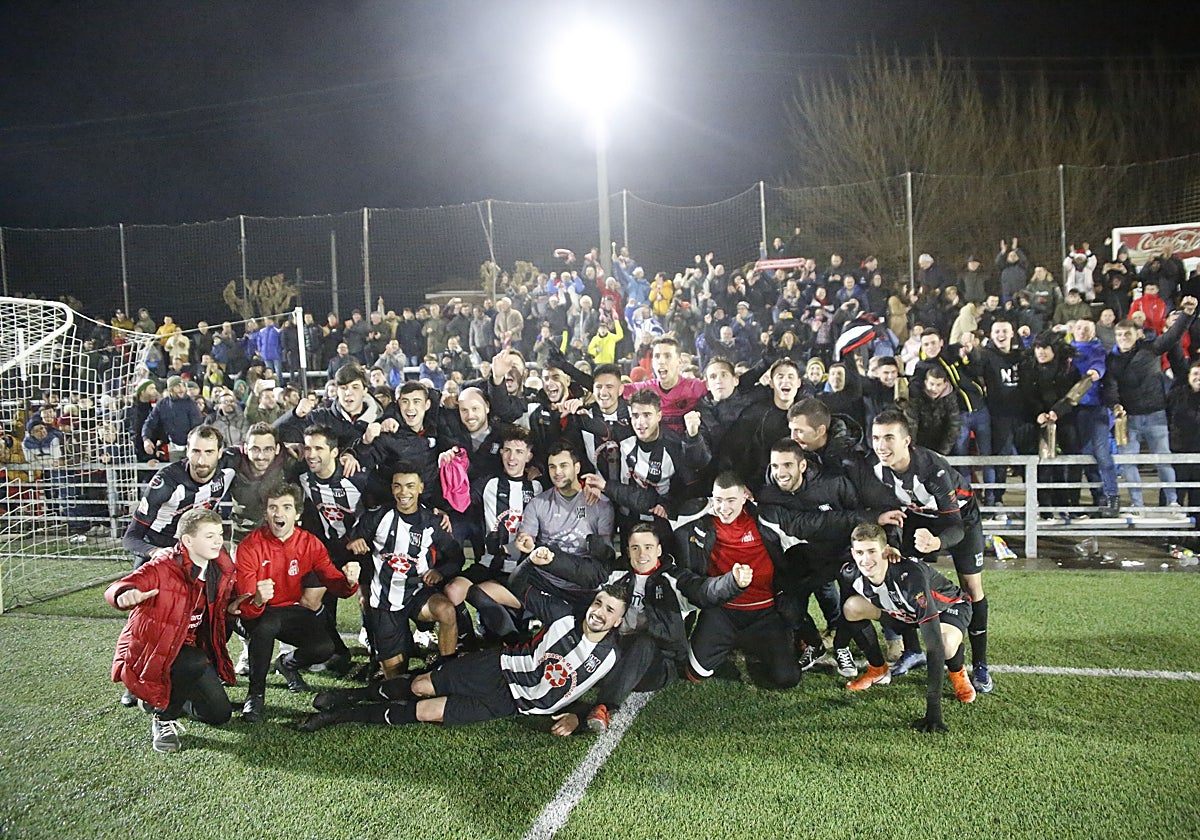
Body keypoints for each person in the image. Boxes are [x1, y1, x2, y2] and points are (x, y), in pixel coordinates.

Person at [298, 581, 631, 734]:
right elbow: (514, 589)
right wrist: (475, 588)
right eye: (598, 604)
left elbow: (604, 698)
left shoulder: (610, 658)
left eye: (609, 610)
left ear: (618, 621)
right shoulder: (562, 616)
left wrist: (575, 717)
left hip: (507, 704)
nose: (599, 613)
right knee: (419, 686)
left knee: (426, 711)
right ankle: (349, 697)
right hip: (496, 667)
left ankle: (339, 717)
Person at [867, 408, 992, 693]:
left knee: (971, 589)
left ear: (906, 440)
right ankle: (912, 650)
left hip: (960, 518)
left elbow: (955, 526)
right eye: (876, 438)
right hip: (919, 517)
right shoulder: (875, 468)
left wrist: (937, 543)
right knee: (902, 576)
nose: (881, 445)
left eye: (889, 437)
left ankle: (981, 665)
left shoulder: (932, 469)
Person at [584, 524, 752, 731]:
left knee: (644, 643)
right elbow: (579, 572)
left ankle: (604, 707)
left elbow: (705, 590)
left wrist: (732, 582)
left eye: (648, 547)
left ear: (659, 550)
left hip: (658, 664)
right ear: (627, 551)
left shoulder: (674, 579)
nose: (642, 553)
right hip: (617, 653)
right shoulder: (618, 574)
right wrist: (551, 559)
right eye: (635, 548)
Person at [106, 508, 239, 753]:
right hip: (154, 649)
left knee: (219, 715)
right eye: (209, 536)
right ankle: (163, 719)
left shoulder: (222, 569)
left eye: (219, 534)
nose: (218, 541)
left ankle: (164, 696)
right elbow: (122, 586)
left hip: (188, 650)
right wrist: (124, 595)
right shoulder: (163, 566)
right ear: (188, 540)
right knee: (194, 661)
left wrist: (244, 605)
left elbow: (224, 611)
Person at [234, 483, 361, 723]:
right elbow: (245, 607)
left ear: (298, 514)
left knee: (324, 647)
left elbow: (336, 586)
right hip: (254, 614)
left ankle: (287, 664)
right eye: (273, 507)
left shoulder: (310, 543)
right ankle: (255, 695)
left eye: (286, 507)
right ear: (265, 513)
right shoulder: (250, 546)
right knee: (266, 624)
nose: (278, 514)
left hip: (289, 612)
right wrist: (259, 599)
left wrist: (349, 581)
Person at [838, 523, 976, 732]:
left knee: (946, 645)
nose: (865, 560)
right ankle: (878, 669)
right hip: (903, 611)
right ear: (852, 553)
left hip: (945, 608)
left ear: (885, 551)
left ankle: (957, 671)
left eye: (872, 551)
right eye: (860, 552)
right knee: (852, 608)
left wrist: (933, 709)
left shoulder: (911, 577)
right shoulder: (850, 572)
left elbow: (933, 645)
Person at [676, 471, 802, 690]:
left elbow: (814, 528)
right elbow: (659, 512)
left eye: (731, 500)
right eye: (719, 500)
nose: (724, 508)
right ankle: (729, 640)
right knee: (695, 672)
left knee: (787, 678)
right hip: (722, 611)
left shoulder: (764, 519)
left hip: (764, 613)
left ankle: (783, 638)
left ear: (745, 496)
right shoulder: (702, 520)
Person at [346, 465, 465, 680]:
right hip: (384, 600)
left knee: (446, 611)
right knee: (396, 675)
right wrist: (356, 545)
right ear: (392, 489)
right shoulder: (377, 517)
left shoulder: (431, 522)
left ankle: (447, 673)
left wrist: (440, 571)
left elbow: (456, 557)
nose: (404, 493)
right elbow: (351, 543)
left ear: (420, 488)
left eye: (410, 486)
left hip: (417, 593)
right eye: (398, 486)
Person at [122, 425, 236, 566]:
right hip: (161, 547)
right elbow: (130, 538)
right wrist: (155, 552)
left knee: (227, 571)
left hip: (197, 546)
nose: (202, 461)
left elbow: (255, 451)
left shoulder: (229, 468)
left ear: (220, 453)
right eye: (196, 451)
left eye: (209, 452)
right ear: (187, 451)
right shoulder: (166, 482)